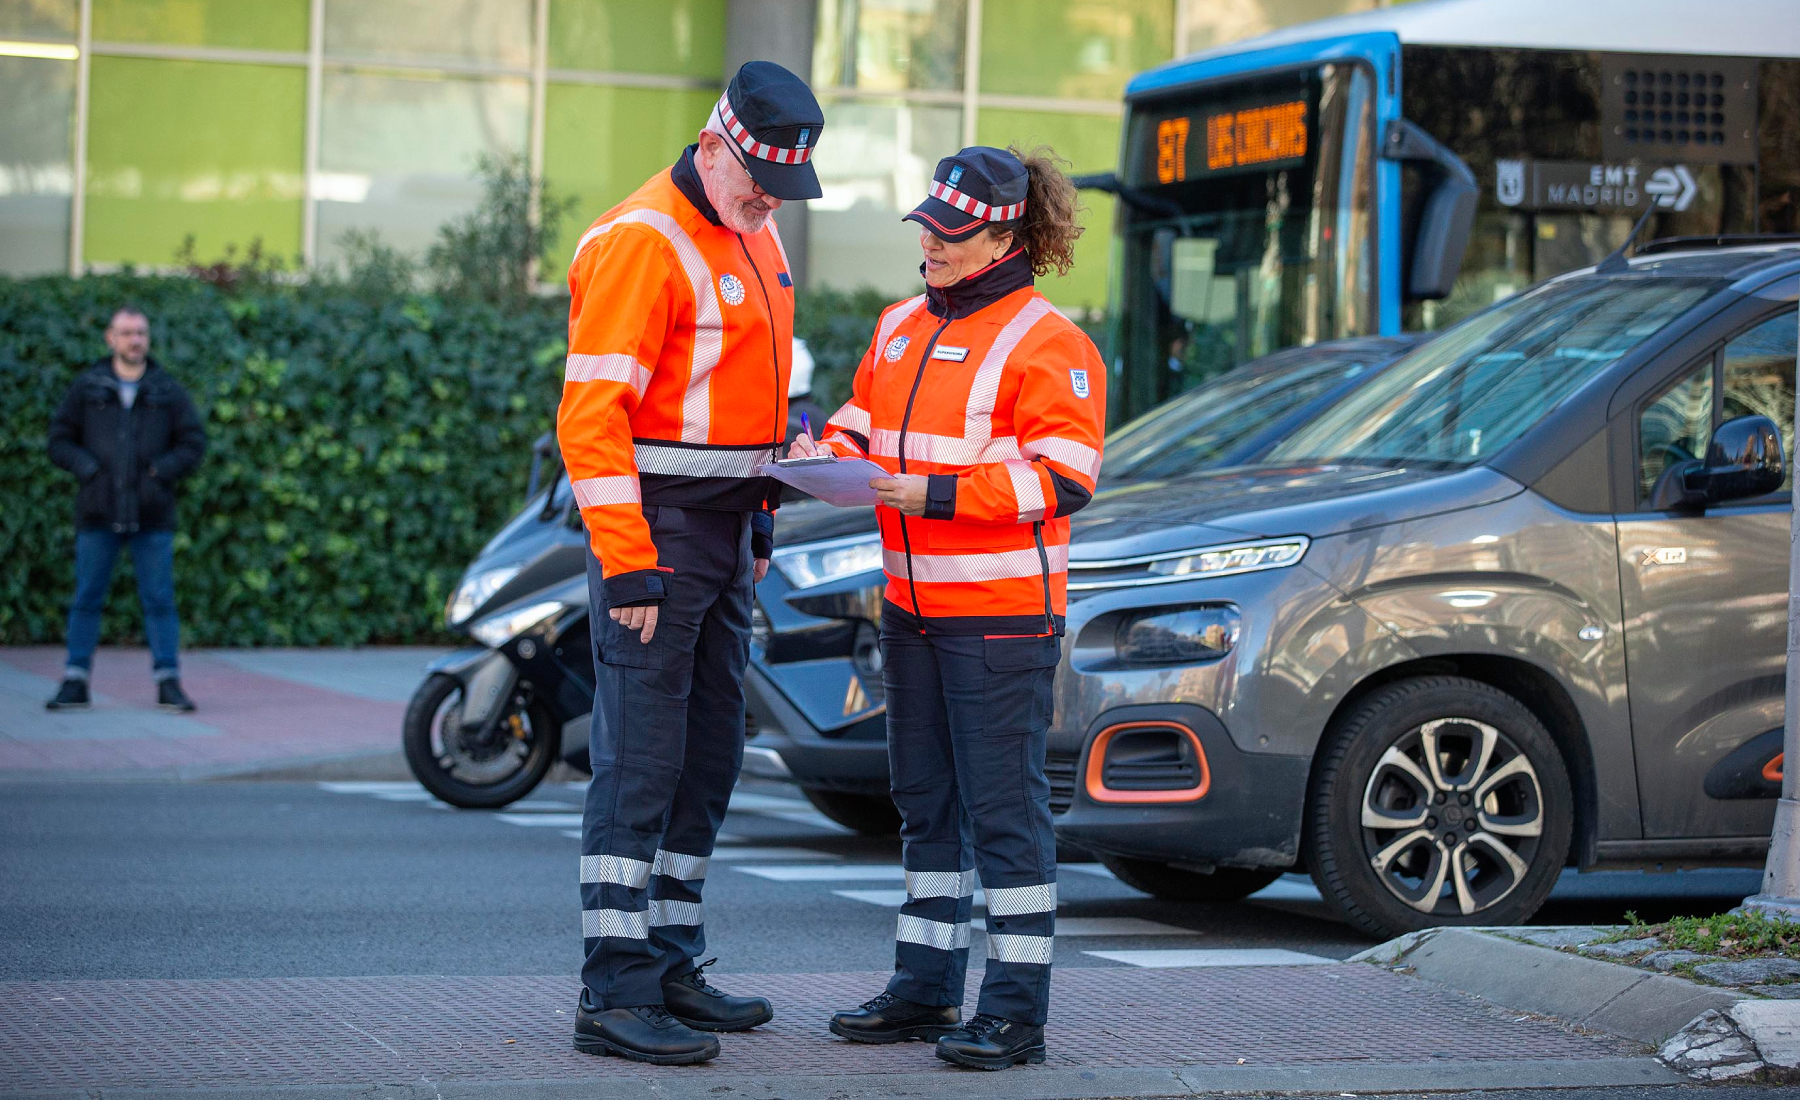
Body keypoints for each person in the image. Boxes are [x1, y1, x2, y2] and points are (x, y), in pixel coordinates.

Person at [794, 146, 1105, 1069]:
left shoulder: (1050, 341)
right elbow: (863, 416)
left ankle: (1015, 1012)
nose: (929, 240)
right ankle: (925, 990)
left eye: (951, 230)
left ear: (1002, 234)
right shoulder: (898, 325)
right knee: (925, 806)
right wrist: (827, 449)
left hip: (1003, 620)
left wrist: (919, 492)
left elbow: (1064, 477)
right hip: (913, 613)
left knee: (1005, 815)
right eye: (928, 222)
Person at [556, 60, 824, 1066]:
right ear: (713, 144)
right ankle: (613, 988)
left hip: (721, 531)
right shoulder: (642, 239)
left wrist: (762, 509)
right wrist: (626, 563)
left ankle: (668, 955)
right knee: (641, 761)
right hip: (658, 537)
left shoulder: (749, 225)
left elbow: (739, 397)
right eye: (756, 180)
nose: (768, 202)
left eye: (780, 188)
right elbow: (593, 417)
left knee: (708, 756)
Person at [45, 306, 205, 714]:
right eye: (127, 333)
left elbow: (193, 442)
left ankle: (168, 681)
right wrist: (88, 469)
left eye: (141, 333)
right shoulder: (89, 387)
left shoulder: (166, 389)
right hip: (98, 514)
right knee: (86, 598)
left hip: (152, 515)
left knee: (159, 600)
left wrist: (159, 472)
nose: (136, 340)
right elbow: (59, 440)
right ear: (110, 338)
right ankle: (75, 681)